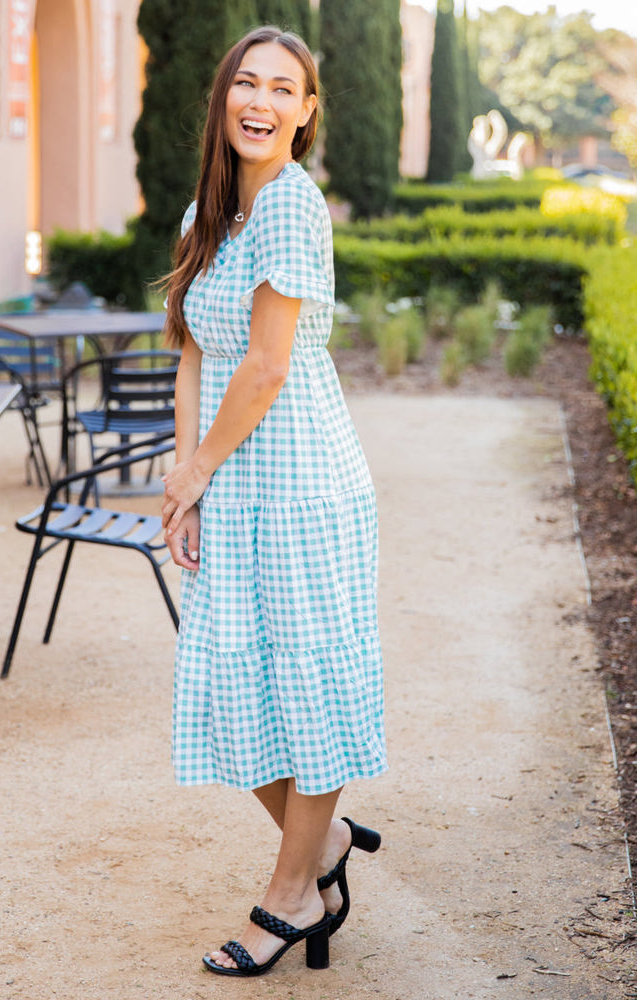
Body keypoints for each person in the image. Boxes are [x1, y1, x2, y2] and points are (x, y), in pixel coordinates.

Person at [160, 25, 387, 978]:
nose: (258, 100)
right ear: (222, 101)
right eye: (243, 83)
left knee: (307, 688)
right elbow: (193, 355)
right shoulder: (202, 215)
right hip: (229, 481)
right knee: (227, 689)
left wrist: (203, 467)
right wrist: (185, 481)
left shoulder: (294, 208)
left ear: (306, 111)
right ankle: (325, 848)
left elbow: (263, 365)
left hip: (298, 487)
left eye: (281, 88)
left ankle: (291, 893)